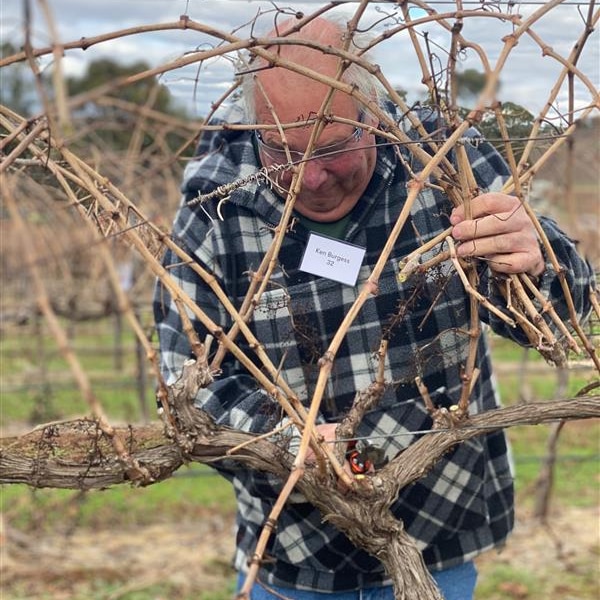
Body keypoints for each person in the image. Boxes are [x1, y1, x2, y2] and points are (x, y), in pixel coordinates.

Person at [153, 15, 594, 600]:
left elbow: (565, 316)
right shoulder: (216, 209)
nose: (310, 178)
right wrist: (289, 440)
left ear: (374, 109)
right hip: (293, 555)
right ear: (253, 124)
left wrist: (536, 262)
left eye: (332, 146)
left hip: (437, 537)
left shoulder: (442, 164)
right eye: (281, 149)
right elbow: (187, 389)